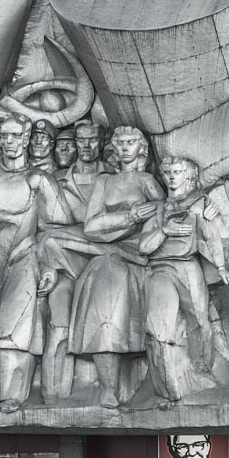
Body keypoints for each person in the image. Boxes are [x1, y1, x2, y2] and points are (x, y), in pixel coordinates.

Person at [0, 111, 72, 412]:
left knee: (16, 325)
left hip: (24, 254)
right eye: (4, 135)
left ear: (25, 138)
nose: (9, 141)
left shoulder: (39, 179)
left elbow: (56, 227)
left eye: (15, 136)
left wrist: (50, 267)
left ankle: (11, 394)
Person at [67, 126, 164, 408]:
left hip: (138, 257)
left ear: (141, 148)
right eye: (119, 143)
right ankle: (108, 388)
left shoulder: (147, 181)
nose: (124, 148)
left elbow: (160, 215)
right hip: (106, 255)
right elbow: (91, 227)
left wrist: (141, 231)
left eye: (131, 142)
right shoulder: (104, 183)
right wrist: (129, 216)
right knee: (102, 298)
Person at [139, 156, 229, 406]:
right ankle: (167, 388)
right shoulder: (158, 208)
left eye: (177, 172)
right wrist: (163, 231)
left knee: (201, 321)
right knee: (158, 327)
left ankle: (202, 369)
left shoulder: (201, 203)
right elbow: (143, 246)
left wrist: (222, 266)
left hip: (189, 266)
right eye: (167, 171)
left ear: (189, 176)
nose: (171, 176)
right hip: (161, 269)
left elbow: (213, 235)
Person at [37, 120, 118, 403]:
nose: (85, 146)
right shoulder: (55, 180)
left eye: (92, 140)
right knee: (58, 323)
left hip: (105, 264)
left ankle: (110, 389)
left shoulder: (115, 176)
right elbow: (45, 228)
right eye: (80, 140)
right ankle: (50, 396)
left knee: (105, 316)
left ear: (101, 141)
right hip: (66, 267)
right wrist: (49, 269)